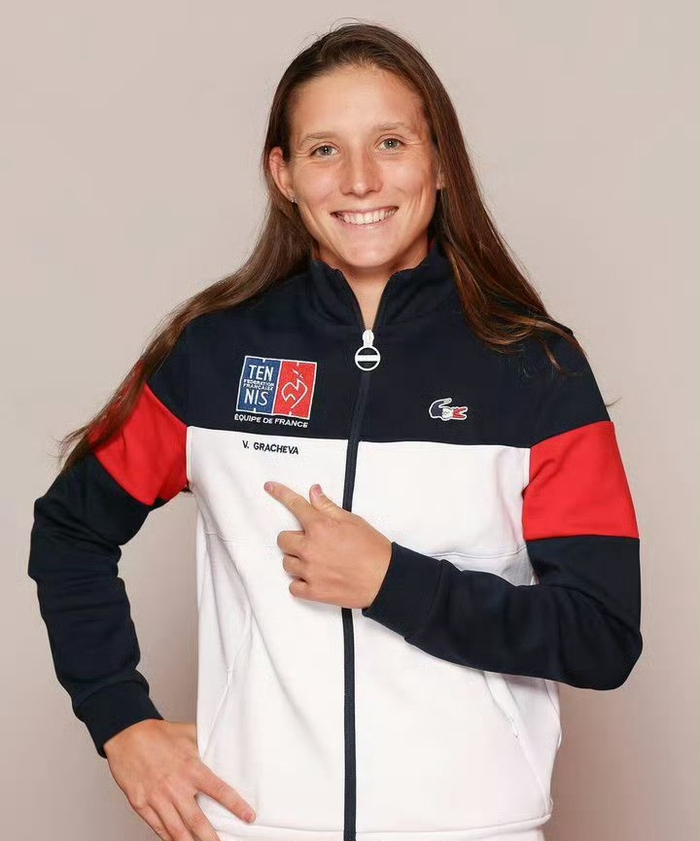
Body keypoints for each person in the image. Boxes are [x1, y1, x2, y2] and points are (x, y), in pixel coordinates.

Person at [27, 20, 642, 841]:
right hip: (257, 825)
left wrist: (393, 581)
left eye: (390, 142)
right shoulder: (213, 356)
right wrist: (121, 721)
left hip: (472, 828)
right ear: (283, 173)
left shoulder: (536, 367)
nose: (359, 180)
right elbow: (70, 529)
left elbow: (602, 635)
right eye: (324, 150)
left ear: (440, 161)